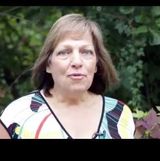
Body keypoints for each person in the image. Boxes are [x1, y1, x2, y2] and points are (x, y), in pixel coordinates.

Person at [0, 13, 135, 139]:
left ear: (96, 65)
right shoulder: (19, 114)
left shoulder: (119, 115)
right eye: (64, 52)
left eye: (86, 52)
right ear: (48, 64)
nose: (77, 62)